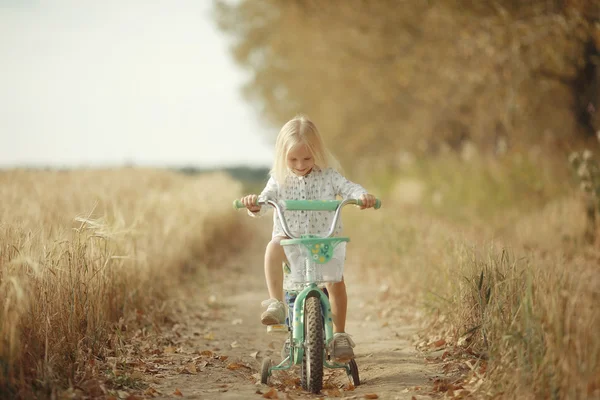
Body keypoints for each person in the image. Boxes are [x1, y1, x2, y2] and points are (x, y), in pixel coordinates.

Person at [240, 115, 376, 361]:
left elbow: (350, 188)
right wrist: (254, 204)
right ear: (283, 156)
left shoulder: (329, 176)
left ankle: (339, 335)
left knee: (335, 283)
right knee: (273, 246)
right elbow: (264, 200)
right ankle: (276, 303)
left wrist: (362, 196)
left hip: (323, 243)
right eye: (293, 159)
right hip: (291, 243)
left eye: (307, 158)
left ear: (318, 152)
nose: (301, 164)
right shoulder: (279, 179)